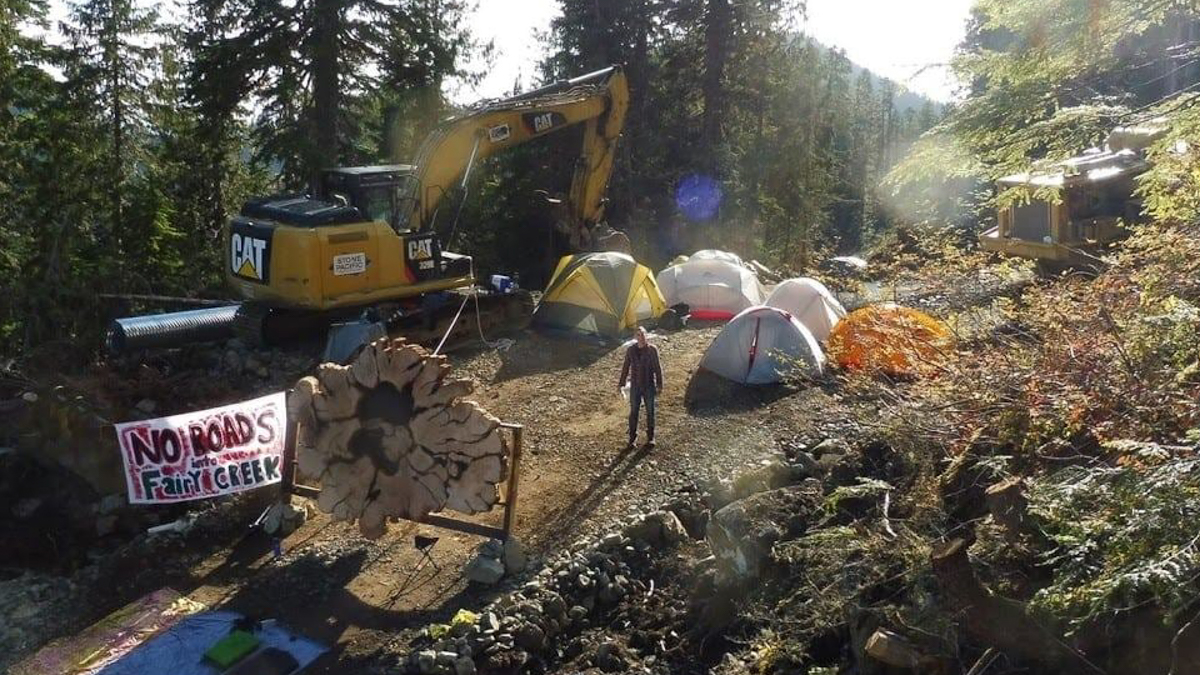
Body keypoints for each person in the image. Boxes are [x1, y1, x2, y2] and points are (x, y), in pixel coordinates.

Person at [618, 326, 663, 449]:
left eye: (643, 334)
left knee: (650, 412)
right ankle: (632, 439)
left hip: (649, 385)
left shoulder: (652, 350)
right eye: (638, 335)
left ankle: (651, 437)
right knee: (634, 412)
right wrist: (621, 383)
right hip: (635, 387)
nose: (641, 337)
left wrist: (659, 384)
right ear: (635, 337)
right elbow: (626, 367)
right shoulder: (631, 350)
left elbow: (658, 368)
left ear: (646, 336)